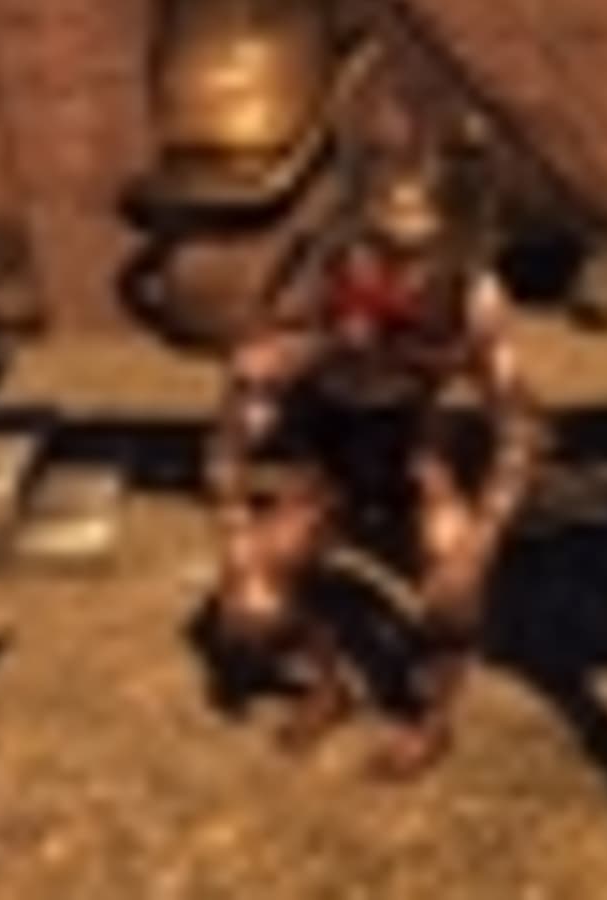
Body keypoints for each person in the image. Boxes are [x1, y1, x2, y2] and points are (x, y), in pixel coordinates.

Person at [202, 145, 543, 780]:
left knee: (452, 583)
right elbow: (240, 402)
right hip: (330, 450)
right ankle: (326, 680)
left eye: (416, 251)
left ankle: (428, 714)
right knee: (251, 606)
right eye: (385, 248)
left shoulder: (471, 295)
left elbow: (520, 425)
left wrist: (482, 541)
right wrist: (235, 532)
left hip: (416, 448)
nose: (400, 269)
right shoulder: (317, 282)